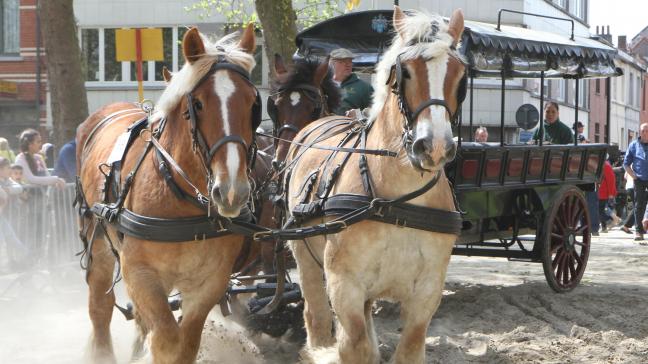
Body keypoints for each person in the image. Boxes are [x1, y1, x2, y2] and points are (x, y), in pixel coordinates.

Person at [0, 157, 28, 269]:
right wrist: (4, 193)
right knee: (2, 240)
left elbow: (19, 188)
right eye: (8, 168)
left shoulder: (7, 181)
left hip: (1, 216)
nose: (10, 170)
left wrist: (8, 190)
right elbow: (3, 196)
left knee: (11, 237)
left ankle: (28, 256)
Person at [330, 48, 373, 116]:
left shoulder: (364, 87)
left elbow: (377, 112)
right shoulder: (321, 85)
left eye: (350, 61)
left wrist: (359, 114)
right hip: (323, 125)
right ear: (332, 64)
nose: (348, 65)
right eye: (342, 62)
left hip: (351, 125)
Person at [623, 122, 648, 241]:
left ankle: (643, 227)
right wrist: (633, 176)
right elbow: (626, 163)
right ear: (640, 132)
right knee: (639, 205)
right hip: (639, 179)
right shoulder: (634, 145)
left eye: (647, 131)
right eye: (643, 131)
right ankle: (638, 231)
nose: (645, 133)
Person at [598, 160, 617, 233]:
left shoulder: (606, 165)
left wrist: (611, 194)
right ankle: (604, 227)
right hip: (600, 191)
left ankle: (612, 220)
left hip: (603, 192)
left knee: (601, 210)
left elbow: (611, 180)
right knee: (601, 209)